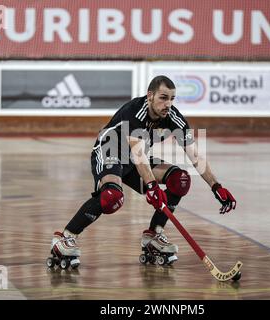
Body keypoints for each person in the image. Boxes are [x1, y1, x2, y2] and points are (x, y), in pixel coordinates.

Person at [48, 75, 236, 269]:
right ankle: (65, 238)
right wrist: (152, 186)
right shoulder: (134, 112)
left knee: (180, 180)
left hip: (136, 158)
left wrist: (216, 186)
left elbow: (195, 156)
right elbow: (138, 156)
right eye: (163, 98)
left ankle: (154, 234)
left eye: (172, 99)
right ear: (150, 96)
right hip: (110, 150)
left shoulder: (173, 118)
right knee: (111, 197)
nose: (168, 104)